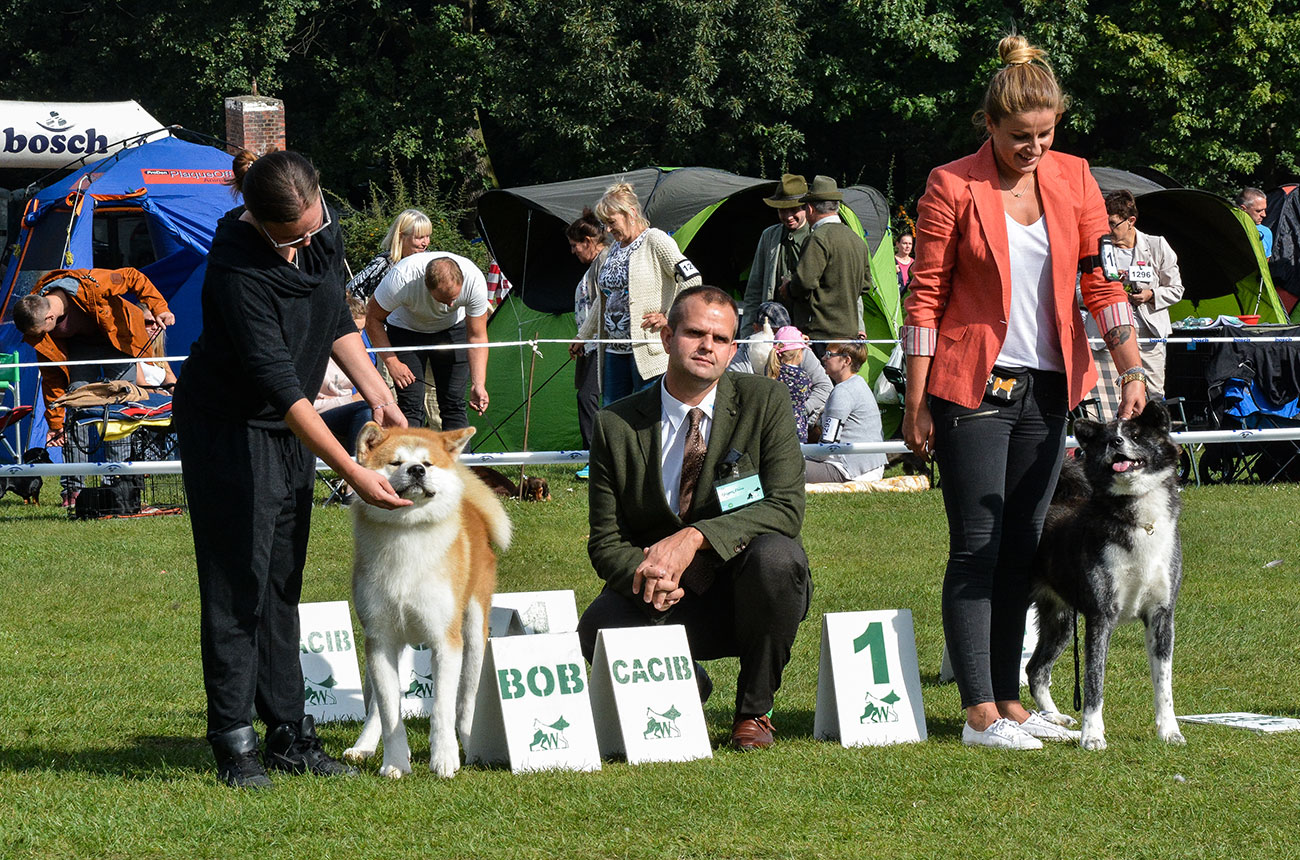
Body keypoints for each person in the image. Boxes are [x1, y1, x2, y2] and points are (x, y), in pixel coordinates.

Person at [901, 35, 1147, 751]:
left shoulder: (1077, 178)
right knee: (977, 545)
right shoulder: (951, 185)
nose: (1033, 147)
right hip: (970, 386)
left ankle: (1010, 701)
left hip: (1050, 387)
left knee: (1021, 546)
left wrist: (1130, 366)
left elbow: (1101, 283)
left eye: (1044, 134)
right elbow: (924, 299)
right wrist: (918, 401)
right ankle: (978, 710)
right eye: (1018, 137)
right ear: (989, 125)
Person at [173, 149, 409, 788]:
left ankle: (289, 733)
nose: (305, 243)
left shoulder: (320, 232)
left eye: (312, 228)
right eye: (291, 237)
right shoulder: (236, 273)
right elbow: (285, 388)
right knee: (236, 584)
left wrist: (379, 392)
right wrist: (354, 473)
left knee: (282, 581)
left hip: (281, 432)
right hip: (230, 433)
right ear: (254, 217)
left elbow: (334, 316)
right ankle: (234, 740)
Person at [577, 285, 811, 752]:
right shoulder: (615, 424)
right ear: (666, 337)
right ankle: (687, 684)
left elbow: (785, 506)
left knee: (779, 559)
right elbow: (605, 540)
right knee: (594, 627)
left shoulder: (765, 401)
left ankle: (753, 713)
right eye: (695, 333)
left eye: (721, 338)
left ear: (732, 348)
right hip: (660, 594)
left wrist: (695, 538)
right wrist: (647, 575)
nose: (708, 346)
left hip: (745, 588)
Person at [13, 266, 175, 505]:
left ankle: (116, 484)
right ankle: (73, 489)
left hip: (118, 339)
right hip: (80, 349)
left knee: (120, 407)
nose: (37, 338)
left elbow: (132, 275)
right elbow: (51, 377)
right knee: (75, 406)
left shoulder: (92, 284)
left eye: (39, 332)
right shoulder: (37, 318)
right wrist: (55, 423)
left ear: (49, 318)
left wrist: (160, 308)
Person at [576, 182, 702, 405]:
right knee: (613, 415)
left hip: (648, 350)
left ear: (631, 214)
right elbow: (604, 298)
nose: (608, 230)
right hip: (614, 351)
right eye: (605, 224)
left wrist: (669, 317)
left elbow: (692, 278)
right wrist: (582, 336)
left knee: (648, 415)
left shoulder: (656, 240)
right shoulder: (613, 249)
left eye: (611, 222)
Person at [1081, 190, 1184, 421]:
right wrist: (1107, 286)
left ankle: (1150, 449)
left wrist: (1150, 294)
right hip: (1107, 336)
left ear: (1131, 221)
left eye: (1113, 224)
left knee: (1153, 397)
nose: (1108, 230)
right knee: (1104, 403)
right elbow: (1078, 290)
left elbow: (1177, 289)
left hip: (1150, 336)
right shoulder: (1096, 249)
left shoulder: (1157, 245)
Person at [364, 251, 491, 430]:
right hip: (405, 331)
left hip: (452, 331)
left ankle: (458, 458)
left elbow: (477, 336)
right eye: (443, 300)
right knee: (411, 407)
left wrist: (479, 384)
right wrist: (392, 362)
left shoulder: (474, 280)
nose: (451, 305)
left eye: (454, 298)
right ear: (426, 286)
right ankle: (411, 458)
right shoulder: (402, 279)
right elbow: (371, 319)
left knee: (454, 405)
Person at [778, 175, 870, 355]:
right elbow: (865, 285)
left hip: (819, 332)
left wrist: (787, 289)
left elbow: (805, 282)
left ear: (810, 208)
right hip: (849, 333)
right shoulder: (857, 241)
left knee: (820, 382)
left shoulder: (818, 238)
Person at [728, 300, 833, 425]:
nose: (778, 339)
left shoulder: (799, 351)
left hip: (797, 425)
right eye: (773, 332)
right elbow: (732, 391)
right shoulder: (745, 353)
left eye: (782, 332)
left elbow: (825, 387)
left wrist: (801, 411)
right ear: (756, 328)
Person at [566, 207, 610, 479]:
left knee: (589, 397)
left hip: (601, 343)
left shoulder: (605, 261)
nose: (573, 251)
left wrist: (586, 337)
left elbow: (602, 304)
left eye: (575, 246)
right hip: (588, 343)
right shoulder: (594, 265)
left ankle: (596, 458)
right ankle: (591, 457)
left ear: (589, 242)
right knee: (585, 395)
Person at [804, 341, 887, 483]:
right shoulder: (858, 382)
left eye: (829, 354)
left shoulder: (843, 392)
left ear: (846, 361)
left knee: (780, 466)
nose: (823, 358)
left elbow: (828, 445)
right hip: (870, 466)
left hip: (850, 470)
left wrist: (802, 453)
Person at [741, 174, 811, 327]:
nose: (788, 216)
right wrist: (747, 329)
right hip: (773, 326)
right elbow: (754, 287)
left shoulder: (817, 237)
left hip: (808, 326)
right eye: (782, 211)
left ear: (806, 207)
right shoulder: (769, 236)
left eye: (793, 210)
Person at [345, 208, 433, 301]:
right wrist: (362, 313)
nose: (426, 243)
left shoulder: (431, 263)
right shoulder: (384, 264)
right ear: (401, 237)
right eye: (420, 237)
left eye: (427, 236)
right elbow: (350, 292)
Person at [766, 325, 813, 443]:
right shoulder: (802, 377)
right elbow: (806, 395)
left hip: (774, 426)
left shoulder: (771, 370)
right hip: (796, 428)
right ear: (798, 354)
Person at [136, 308, 178, 389]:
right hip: (145, 398)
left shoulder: (158, 355)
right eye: (149, 323)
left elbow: (173, 385)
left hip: (163, 399)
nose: (155, 327)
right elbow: (143, 387)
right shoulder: (129, 352)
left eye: (159, 323)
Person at [1235, 187, 1272, 258]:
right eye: (1258, 211)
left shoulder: (1266, 232)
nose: (1264, 215)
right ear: (1243, 209)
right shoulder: (1228, 229)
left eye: (1264, 210)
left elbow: (1265, 265)